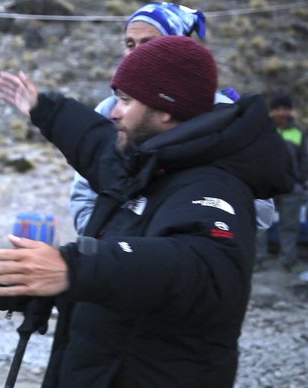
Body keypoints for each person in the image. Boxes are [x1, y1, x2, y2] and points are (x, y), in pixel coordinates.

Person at [0, 36, 293, 388]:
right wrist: (46, 109)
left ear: (165, 109)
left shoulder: (216, 184)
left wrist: (74, 266)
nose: (114, 111)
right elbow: (96, 144)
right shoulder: (151, 161)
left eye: (125, 100)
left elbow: (200, 264)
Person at [66, 2, 275, 235]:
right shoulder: (109, 111)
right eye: (129, 44)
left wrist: (198, 234)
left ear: (178, 48)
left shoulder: (223, 114)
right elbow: (85, 192)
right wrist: (103, 240)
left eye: (149, 43)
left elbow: (260, 210)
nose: (136, 53)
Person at [256, 93, 308, 273]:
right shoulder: (261, 130)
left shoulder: (298, 132)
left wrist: (300, 182)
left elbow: (304, 158)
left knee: (290, 225)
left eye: (285, 108)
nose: (281, 113)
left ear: (290, 111)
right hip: (265, 186)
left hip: (291, 186)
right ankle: (257, 259)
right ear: (271, 112)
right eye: (277, 109)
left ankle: (288, 261)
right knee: (261, 222)